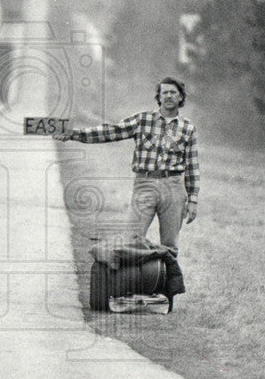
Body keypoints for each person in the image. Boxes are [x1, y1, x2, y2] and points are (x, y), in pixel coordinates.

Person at [54, 77, 198, 250]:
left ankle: (167, 277)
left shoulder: (188, 128)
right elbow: (111, 132)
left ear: (181, 97)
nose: (168, 96)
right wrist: (74, 134)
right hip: (145, 184)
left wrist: (193, 200)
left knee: (170, 245)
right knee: (131, 240)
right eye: (164, 92)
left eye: (173, 92)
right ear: (158, 97)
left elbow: (192, 166)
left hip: (174, 187)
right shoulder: (142, 120)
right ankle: (137, 277)